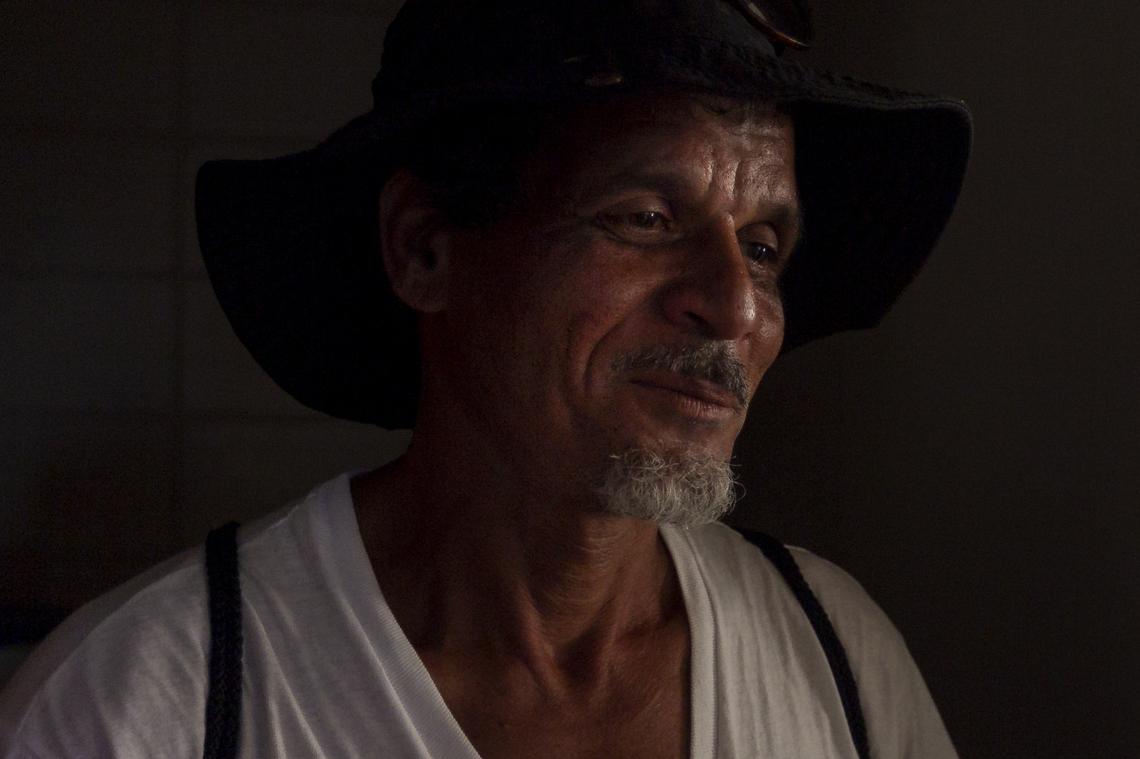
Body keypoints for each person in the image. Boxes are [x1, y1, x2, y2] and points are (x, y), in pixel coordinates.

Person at [0, 0, 971, 756]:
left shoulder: (832, 654)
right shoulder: (148, 701)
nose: (737, 305)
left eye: (761, 246)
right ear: (425, 249)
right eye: (643, 218)